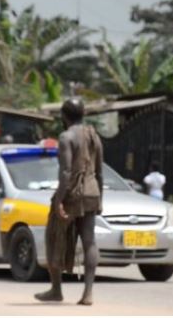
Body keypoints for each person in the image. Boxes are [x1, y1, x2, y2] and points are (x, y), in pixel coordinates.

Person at [34, 97, 103, 306]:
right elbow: (100, 172)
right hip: (92, 191)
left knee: (53, 236)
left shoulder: (66, 137)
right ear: (83, 114)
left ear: (64, 116)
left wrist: (59, 201)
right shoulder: (94, 136)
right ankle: (88, 293)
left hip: (72, 192)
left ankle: (56, 290)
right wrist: (101, 202)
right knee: (89, 241)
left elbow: (65, 172)